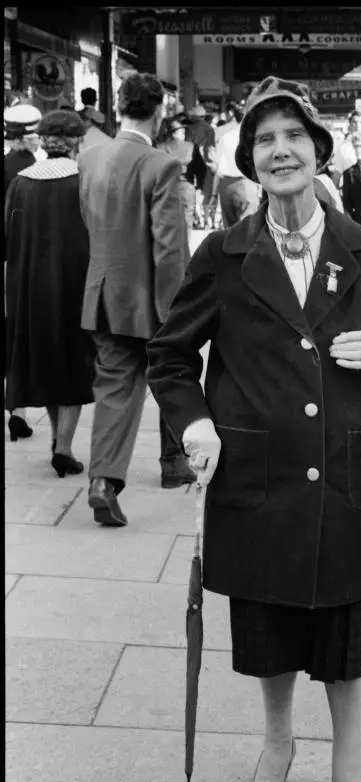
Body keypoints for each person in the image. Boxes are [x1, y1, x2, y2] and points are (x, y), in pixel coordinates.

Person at [146, 75, 361, 782]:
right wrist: (195, 424)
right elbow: (169, 357)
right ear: (248, 162)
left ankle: (348, 767)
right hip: (256, 480)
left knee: (342, 631)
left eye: (293, 136)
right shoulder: (224, 256)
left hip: (341, 478)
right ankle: (276, 742)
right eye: (263, 141)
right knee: (263, 626)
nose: (280, 151)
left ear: (319, 150)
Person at [78, 72, 194, 527]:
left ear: (118, 106)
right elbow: (169, 247)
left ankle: (102, 480)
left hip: (101, 291)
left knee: (113, 388)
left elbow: (89, 222)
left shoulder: (90, 158)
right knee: (173, 375)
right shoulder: (159, 164)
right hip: (146, 300)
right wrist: (176, 310)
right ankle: (175, 463)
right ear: (160, 111)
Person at [5, 110, 95, 474]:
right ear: (76, 142)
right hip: (74, 286)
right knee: (73, 362)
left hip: (28, 289)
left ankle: (60, 443)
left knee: (45, 361)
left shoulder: (21, 183)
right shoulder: (84, 181)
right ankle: (64, 446)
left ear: (41, 141)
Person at [4, 102, 45, 442]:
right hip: (26, 265)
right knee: (24, 337)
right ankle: (17, 409)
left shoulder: (5, 166)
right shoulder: (35, 172)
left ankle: (16, 409)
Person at [211, 100, 261, 228]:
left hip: (226, 186)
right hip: (246, 184)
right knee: (247, 229)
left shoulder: (225, 137)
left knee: (229, 230)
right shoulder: (254, 138)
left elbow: (217, 167)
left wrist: (214, 194)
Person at [157, 117, 196, 228]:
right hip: (187, 185)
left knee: (168, 218)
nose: (184, 135)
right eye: (181, 132)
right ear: (173, 134)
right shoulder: (191, 147)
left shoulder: (160, 147)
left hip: (167, 186)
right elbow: (200, 169)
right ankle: (186, 244)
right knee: (187, 218)